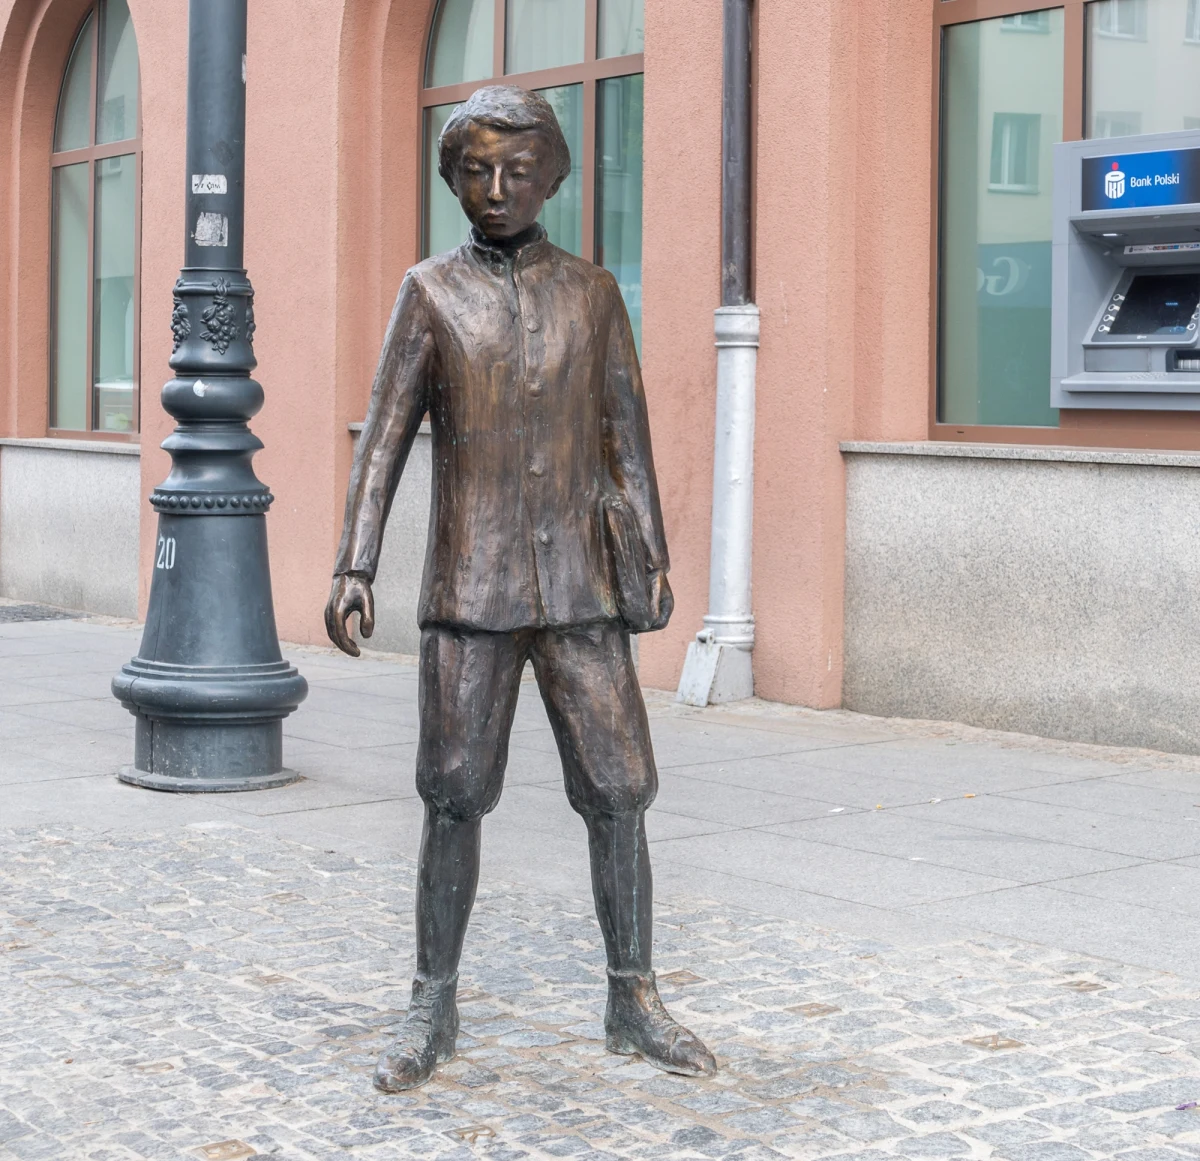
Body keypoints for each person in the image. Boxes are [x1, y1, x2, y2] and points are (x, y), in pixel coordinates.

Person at [326, 84, 716, 1092]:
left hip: (583, 590)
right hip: (472, 588)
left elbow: (626, 434)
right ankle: (431, 1003)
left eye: (518, 169)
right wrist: (354, 564)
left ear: (553, 176)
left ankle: (633, 997)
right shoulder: (430, 293)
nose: (496, 189)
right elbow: (383, 442)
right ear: (452, 177)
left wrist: (654, 563)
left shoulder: (593, 294)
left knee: (622, 792)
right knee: (454, 797)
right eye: (476, 169)